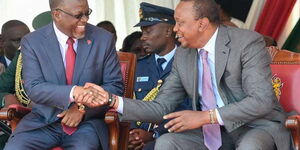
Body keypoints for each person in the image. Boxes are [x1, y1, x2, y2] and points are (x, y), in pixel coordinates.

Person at [76, 0, 291, 150]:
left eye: (180, 22)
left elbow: (261, 101)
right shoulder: (185, 55)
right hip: (216, 133)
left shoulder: (246, 43)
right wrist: (112, 100)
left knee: (250, 146)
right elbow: (161, 107)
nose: (175, 29)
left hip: (255, 126)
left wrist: (206, 117)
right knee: (169, 143)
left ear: (202, 24)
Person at [4, 0, 124, 149]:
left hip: (86, 124)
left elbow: (115, 86)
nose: (85, 20)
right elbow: (34, 88)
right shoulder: (33, 42)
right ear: (57, 14)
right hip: (43, 122)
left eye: (87, 13)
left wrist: (82, 108)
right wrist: (74, 92)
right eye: (78, 15)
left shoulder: (103, 39)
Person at [128, 3, 191, 150]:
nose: (143, 37)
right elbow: (128, 101)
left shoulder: (189, 64)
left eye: (148, 31)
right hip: (135, 138)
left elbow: (189, 108)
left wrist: (154, 134)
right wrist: (132, 134)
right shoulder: (137, 66)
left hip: (170, 137)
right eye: (142, 32)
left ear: (168, 31)